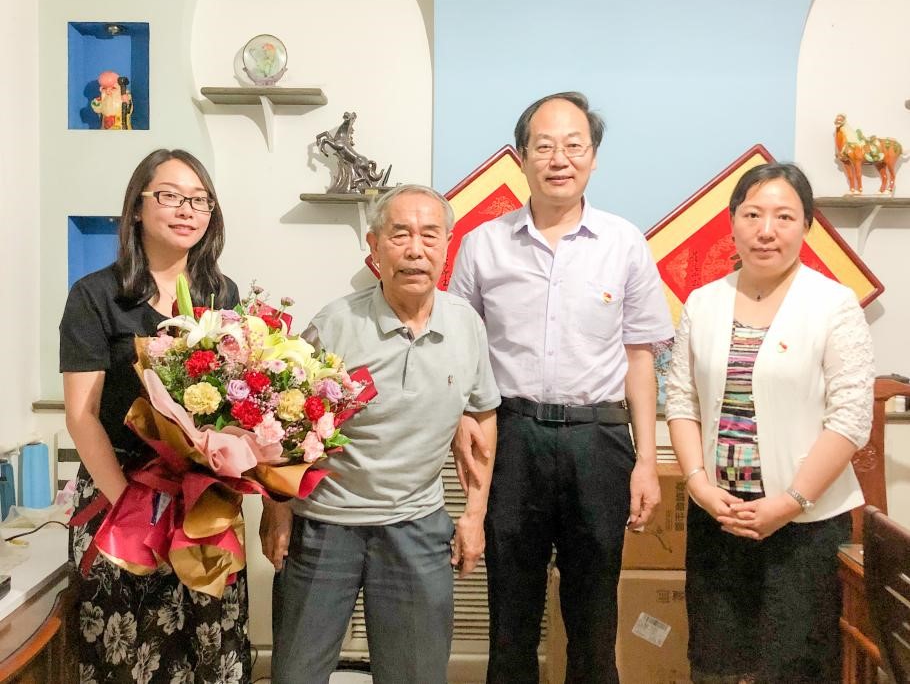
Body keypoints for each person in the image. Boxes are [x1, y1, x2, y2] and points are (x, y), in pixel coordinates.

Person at [448, 91, 674, 684]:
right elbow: (460, 348)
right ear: (521, 157)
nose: (559, 159)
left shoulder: (624, 242)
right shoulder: (482, 243)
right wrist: (463, 420)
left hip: (599, 441)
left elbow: (640, 359)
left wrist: (646, 462)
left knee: (595, 615)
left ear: (594, 157)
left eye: (575, 146)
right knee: (511, 614)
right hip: (511, 437)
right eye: (544, 146)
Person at [261, 184, 500, 684]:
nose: (415, 249)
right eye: (399, 234)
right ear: (373, 246)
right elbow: (281, 422)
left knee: (416, 675)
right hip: (325, 524)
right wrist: (277, 509)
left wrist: (475, 514)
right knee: (297, 673)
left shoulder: (467, 326)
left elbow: (480, 418)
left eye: (429, 235)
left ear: (447, 245)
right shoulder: (334, 325)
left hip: (417, 526)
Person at [665, 162, 875, 683]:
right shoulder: (703, 303)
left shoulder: (833, 304)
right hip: (719, 515)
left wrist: (790, 502)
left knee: (795, 666)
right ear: (732, 222)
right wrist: (699, 487)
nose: (766, 230)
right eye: (752, 214)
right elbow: (682, 400)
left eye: (784, 216)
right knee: (715, 664)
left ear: (807, 225)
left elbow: (850, 417)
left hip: (804, 523)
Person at [60, 149, 249, 684]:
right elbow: (82, 416)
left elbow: (234, 403)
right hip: (120, 494)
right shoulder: (97, 296)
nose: (187, 210)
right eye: (170, 196)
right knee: (127, 652)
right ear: (138, 208)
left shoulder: (221, 295)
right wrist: (131, 507)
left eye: (199, 200)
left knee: (209, 646)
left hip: (202, 500)